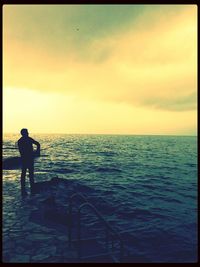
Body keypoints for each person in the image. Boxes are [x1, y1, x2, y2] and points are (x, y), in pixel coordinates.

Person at [18, 128, 40, 197]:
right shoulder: (21, 141)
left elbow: (38, 144)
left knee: (28, 174)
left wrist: (37, 150)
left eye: (27, 132)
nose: (28, 133)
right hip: (26, 160)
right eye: (27, 132)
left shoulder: (23, 140)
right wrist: (36, 151)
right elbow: (22, 151)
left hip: (27, 159)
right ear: (23, 133)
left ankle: (28, 189)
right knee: (25, 174)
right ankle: (25, 189)